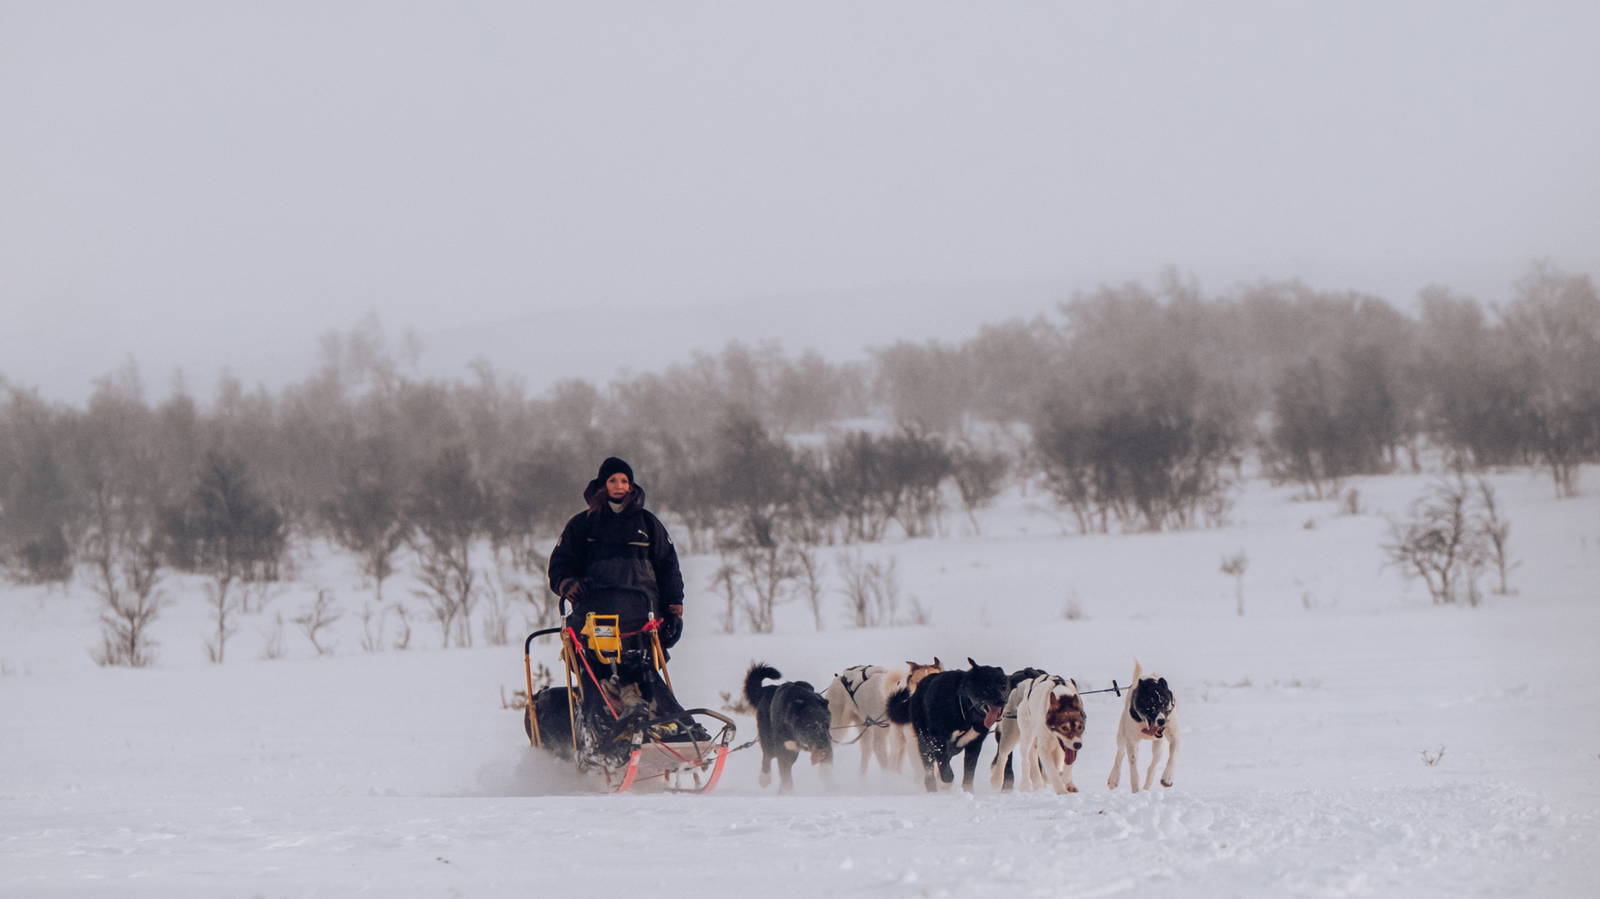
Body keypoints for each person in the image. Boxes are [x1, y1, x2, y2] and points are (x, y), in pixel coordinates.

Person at [548, 455, 685, 649]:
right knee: (593, 662)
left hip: (642, 616)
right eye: (613, 480)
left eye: (624, 481)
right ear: (603, 484)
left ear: (631, 486)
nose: (619, 486)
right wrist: (568, 584)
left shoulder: (648, 523)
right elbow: (561, 564)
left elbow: (668, 566)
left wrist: (674, 608)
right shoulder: (582, 524)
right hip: (594, 616)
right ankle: (601, 678)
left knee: (645, 671)